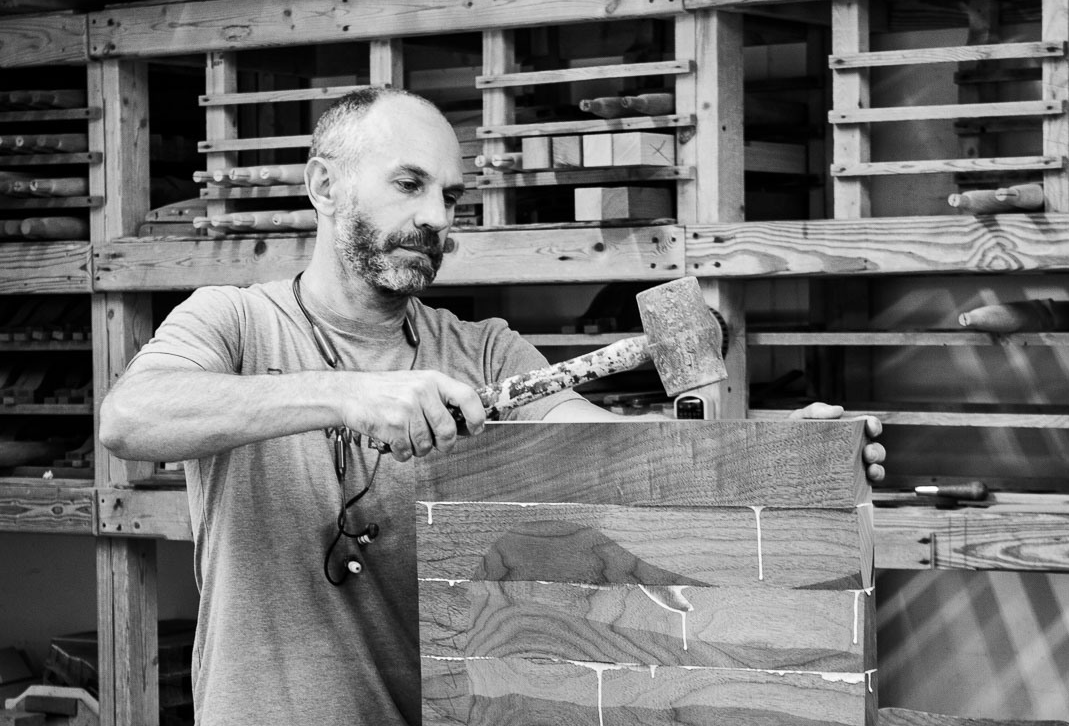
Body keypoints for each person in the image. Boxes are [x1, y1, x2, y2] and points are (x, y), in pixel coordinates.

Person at [98, 88, 885, 726]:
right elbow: (130, 419)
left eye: (451, 197)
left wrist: (782, 454)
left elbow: (619, 458)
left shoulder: (482, 350)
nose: (438, 218)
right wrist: (349, 393)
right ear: (324, 186)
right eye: (410, 185)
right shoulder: (231, 321)